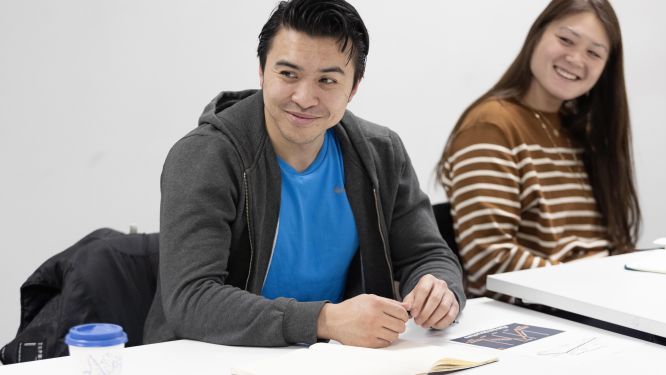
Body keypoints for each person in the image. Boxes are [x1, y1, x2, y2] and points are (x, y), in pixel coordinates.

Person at [143, 0, 465, 348]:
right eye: (288, 74)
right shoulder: (206, 156)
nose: (304, 97)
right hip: (213, 355)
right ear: (262, 72)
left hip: (332, 359)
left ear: (354, 88)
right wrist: (324, 320)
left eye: (327, 80)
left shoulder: (381, 152)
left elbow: (427, 255)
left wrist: (439, 288)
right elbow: (191, 299)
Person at [437, 0, 640, 298]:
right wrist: (591, 292)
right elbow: (488, 260)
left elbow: (613, 245)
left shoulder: (582, 130)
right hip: (551, 313)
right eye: (566, 39)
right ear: (537, 35)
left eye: (594, 53)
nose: (576, 59)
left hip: (598, 301)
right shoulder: (492, 124)